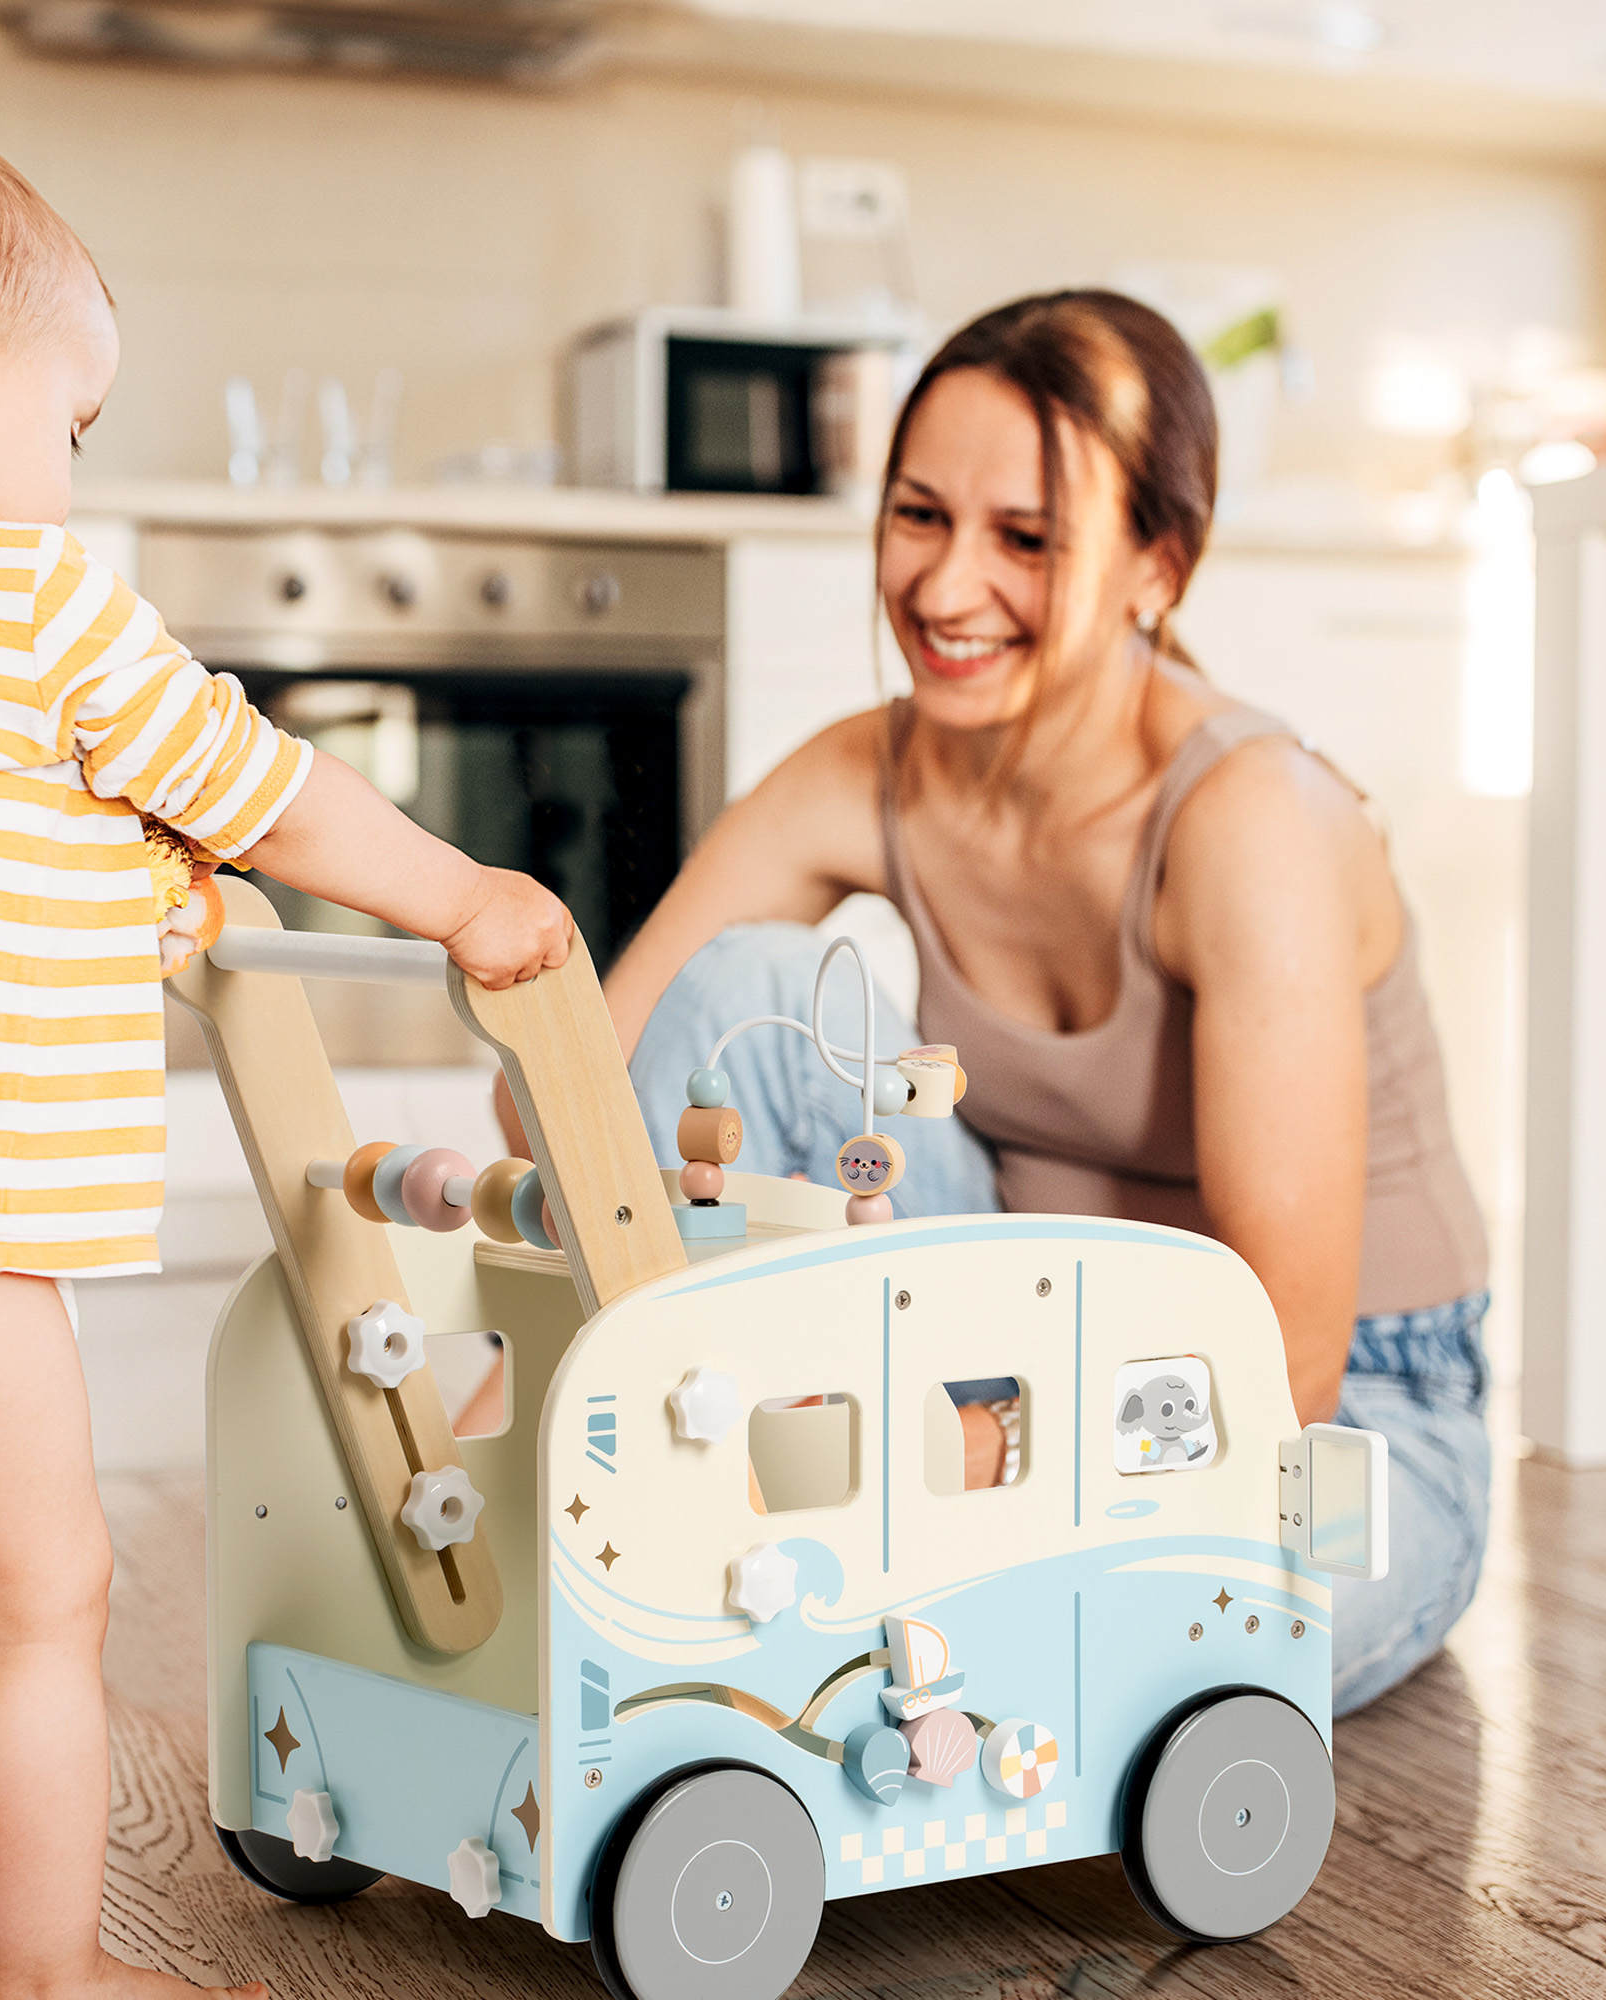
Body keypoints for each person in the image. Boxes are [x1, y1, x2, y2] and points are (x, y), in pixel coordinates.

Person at [0, 99, 570, 2000]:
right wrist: (462, 897)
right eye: (71, 432)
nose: (70, 482)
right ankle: (52, 1968)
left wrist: (114, 881)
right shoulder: (29, 599)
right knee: (44, 1607)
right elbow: (273, 793)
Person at [608, 290, 1491, 1717]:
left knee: (1084, 1663)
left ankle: (887, 1580)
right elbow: (591, 1078)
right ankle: (637, 1492)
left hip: (1338, 1416)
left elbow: (1288, 1369)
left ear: (1159, 566)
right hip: (1019, 1330)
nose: (949, 591)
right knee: (748, 987)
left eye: (1026, 540)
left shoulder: (1248, 817)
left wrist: (936, 1475)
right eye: (918, 516)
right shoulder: (868, 771)